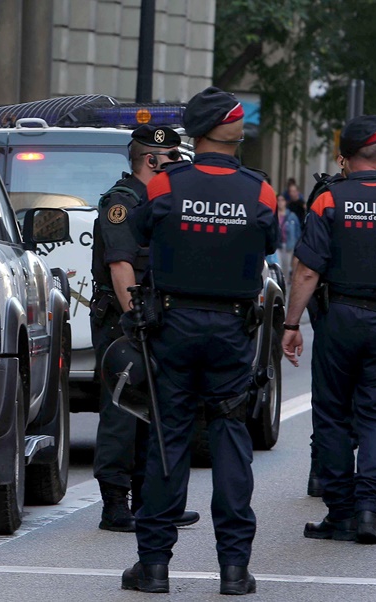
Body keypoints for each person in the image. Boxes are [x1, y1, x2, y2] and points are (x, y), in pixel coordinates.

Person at [120, 87, 278, 596]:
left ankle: (155, 566)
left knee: (169, 440)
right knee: (232, 438)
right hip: (232, 329)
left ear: (197, 132)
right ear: (235, 133)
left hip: (174, 326)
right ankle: (234, 569)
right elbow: (271, 241)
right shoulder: (261, 191)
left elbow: (143, 232)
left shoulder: (166, 184)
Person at [282, 115, 376, 546]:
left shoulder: (328, 200)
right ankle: (369, 510)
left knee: (332, 415)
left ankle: (341, 514)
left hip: (338, 319)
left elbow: (308, 270)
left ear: (344, 157)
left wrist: (292, 324)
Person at [90, 125, 200, 533]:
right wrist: (134, 318)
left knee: (154, 409)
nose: (178, 166)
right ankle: (115, 504)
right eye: (172, 158)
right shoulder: (122, 203)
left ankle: (148, 501)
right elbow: (121, 266)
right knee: (122, 408)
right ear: (150, 160)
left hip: (156, 316)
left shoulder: (161, 200)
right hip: (123, 320)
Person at [277, 194, 302, 276]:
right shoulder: (274, 215)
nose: (280, 203)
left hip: (289, 245)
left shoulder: (292, 216)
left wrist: (297, 246)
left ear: (285, 202)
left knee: (287, 268)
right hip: (277, 245)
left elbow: (297, 232)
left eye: (282, 200)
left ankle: (285, 284)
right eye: (279, 200)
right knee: (278, 266)